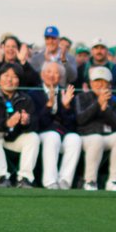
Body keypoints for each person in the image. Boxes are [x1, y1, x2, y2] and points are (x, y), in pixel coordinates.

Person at [0, 62, 40, 188]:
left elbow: (35, 125)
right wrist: (5, 123)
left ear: (19, 80)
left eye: (14, 77)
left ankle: (25, 178)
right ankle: (1, 177)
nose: (9, 80)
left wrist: (26, 122)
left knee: (33, 137)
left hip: (15, 139)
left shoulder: (26, 99)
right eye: (6, 76)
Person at [75, 66, 116, 191]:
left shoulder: (113, 101)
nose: (99, 85)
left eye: (103, 82)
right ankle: (90, 181)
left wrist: (105, 110)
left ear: (109, 84)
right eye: (96, 81)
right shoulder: (82, 97)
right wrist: (98, 104)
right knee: (96, 139)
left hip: (107, 136)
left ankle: (114, 181)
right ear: (91, 83)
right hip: (87, 136)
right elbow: (80, 119)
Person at [36, 61, 81, 190]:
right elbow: (38, 122)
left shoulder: (66, 93)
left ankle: (65, 180)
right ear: (42, 74)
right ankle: (50, 181)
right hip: (43, 134)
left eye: (56, 73)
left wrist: (66, 107)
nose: (52, 75)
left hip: (61, 134)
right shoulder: (34, 93)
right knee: (52, 136)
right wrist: (49, 105)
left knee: (75, 138)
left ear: (60, 77)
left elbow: (72, 125)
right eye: (49, 72)